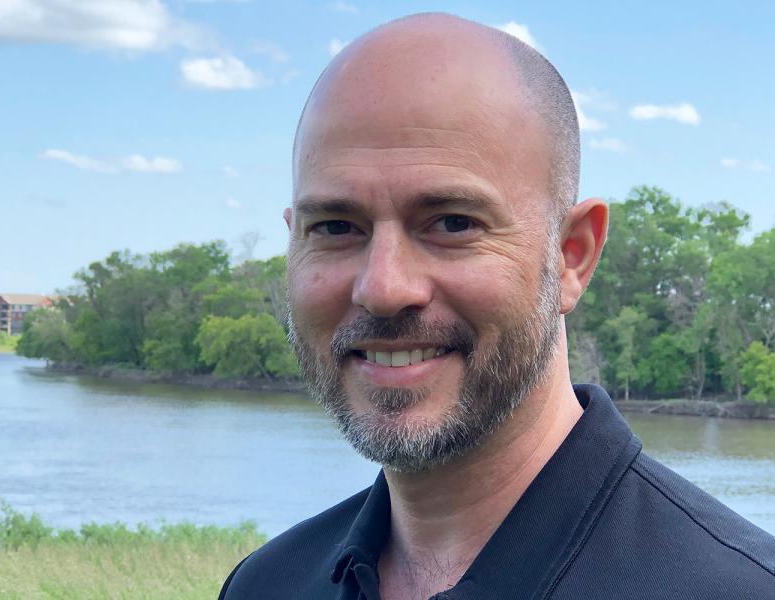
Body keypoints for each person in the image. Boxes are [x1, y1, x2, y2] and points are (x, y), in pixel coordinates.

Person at [219, 13, 775, 600]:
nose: (382, 288)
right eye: (335, 226)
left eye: (453, 223)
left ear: (572, 256)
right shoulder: (266, 583)